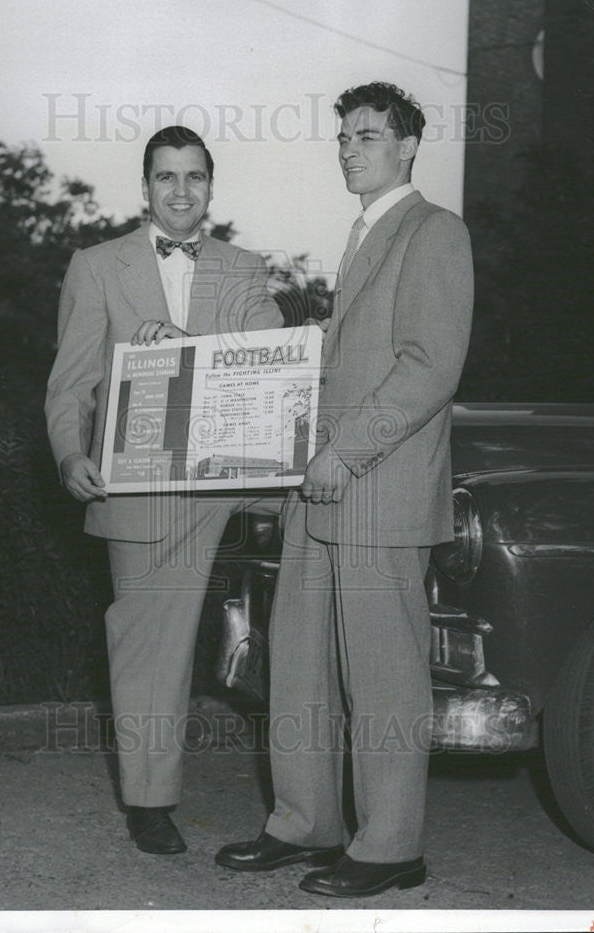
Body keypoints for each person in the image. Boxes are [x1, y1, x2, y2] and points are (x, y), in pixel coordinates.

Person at [216, 82, 474, 897]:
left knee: (382, 677)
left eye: (367, 135)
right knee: (296, 667)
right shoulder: (365, 235)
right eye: (342, 137)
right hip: (317, 490)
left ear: (406, 146)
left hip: (372, 487)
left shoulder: (434, 232)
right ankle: (305, 822)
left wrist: (346, 453)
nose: (348, 148)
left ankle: (391, 844)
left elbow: (430, 364)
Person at [45, 126, 283, 855]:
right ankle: (150, 803)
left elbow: (271, 361)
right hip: (146, 486)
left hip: (239, 478)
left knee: (332, 564)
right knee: (150, 647)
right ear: (144, 187)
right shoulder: (96, 266)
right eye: (165, 177)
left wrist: (188, 349)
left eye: (194, 177)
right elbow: (69, 384)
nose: (180, 191)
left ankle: (315, 803)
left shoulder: (243, 269)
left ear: (211, 187)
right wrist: (68, 457)